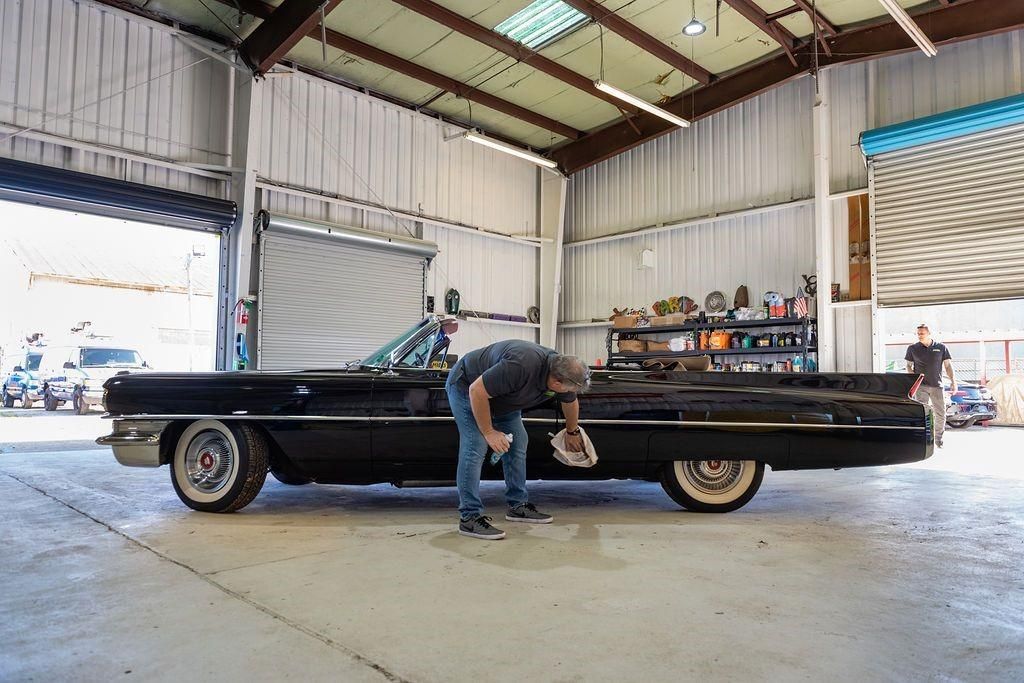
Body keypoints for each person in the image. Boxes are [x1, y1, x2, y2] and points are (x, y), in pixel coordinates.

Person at [445, 340, 591, 540]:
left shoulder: (561, 369)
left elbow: (571, 401)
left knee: (519, 440)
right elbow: (477, 391)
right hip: (467, 386)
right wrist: (489, 432)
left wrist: (572, 431)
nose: (567, 393)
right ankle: (469, 517)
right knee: (476, 445)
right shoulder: (521, 365)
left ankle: (517, 505)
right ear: (556, 383)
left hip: (503, 397)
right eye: (566, 389)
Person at [905, 324, 956, 448]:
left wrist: (953, 381)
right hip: (921, 387)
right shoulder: (912, 348)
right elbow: (908, 366)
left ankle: (938, 438)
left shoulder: (941, 347)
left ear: (929, 333)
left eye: (922, 333)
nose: (919, 336)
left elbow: (948, 366)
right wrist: (914, 380)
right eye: (918, 333)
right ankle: (922, 438)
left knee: (940, 413)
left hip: (937, 386)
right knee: (922, 413)